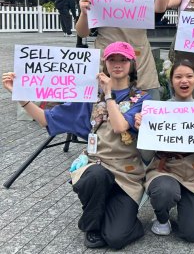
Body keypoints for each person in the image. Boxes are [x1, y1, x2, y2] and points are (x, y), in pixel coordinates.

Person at [2, 41, 150, 249]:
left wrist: (108, 95)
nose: (117, 64)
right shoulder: (88, 97)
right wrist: (21, 97)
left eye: (123, 59)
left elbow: (119, 126)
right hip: (97, 167)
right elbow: (47, 119)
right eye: (112, 59)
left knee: (116, 238)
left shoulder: (142, 99)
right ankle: (91, 225)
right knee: (96, 176)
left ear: (132, 64)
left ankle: (116, 215)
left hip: (127, 175)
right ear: (105, 63)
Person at [136, 59, 194, 241]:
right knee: (164, 191)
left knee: (193, 233)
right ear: (171, 81)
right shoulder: (157, 111)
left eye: (189, 76)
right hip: (164, 169)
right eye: (178, 77)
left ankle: (185, 202)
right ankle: (162, 218)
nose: (184, 81)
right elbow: (146, 157)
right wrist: (143, 130)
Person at [76, 0, 161, 100]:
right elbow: (82, 33)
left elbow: (160, 8)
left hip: (139, 60)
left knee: (146, 116)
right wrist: (83, 12)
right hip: (107, 61)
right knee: (104, 115)